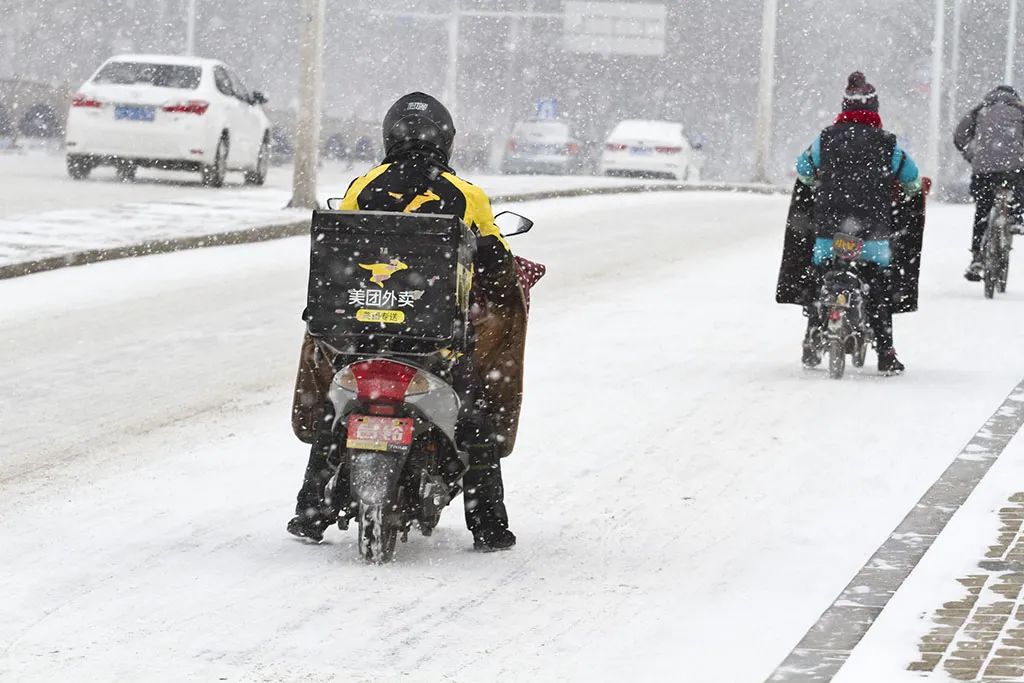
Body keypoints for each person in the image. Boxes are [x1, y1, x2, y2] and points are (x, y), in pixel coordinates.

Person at [287, 92, 524, 551]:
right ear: (446, 141)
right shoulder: (466, 195)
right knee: (475, 428)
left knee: (333, 415)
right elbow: (496, 264)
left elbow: (343, 252)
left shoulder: (363, 186)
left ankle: (310, 510)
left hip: (362, 337)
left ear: (389, 136)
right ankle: (490, 527)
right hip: (434, 342)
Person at [794, 72, 922, 375]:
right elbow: (912, 179)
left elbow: (803, 170)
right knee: (877, 287)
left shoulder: (825, 139)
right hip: (872, 235)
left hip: (830, 232)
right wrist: (905, 191)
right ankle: (886, 352)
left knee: (820, 277)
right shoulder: (888, 144)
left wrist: (817, 182)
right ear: (875, 109)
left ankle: (813, 338)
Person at [953, 85, 1024, 281]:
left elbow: (960, 136)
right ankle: (1017, 217)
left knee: (982, 211)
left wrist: (972, 155)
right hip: (1013, 168)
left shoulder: (979, 110)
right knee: (1020, 181)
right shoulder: (1020, 110)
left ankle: (977, 257)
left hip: (983, 169)